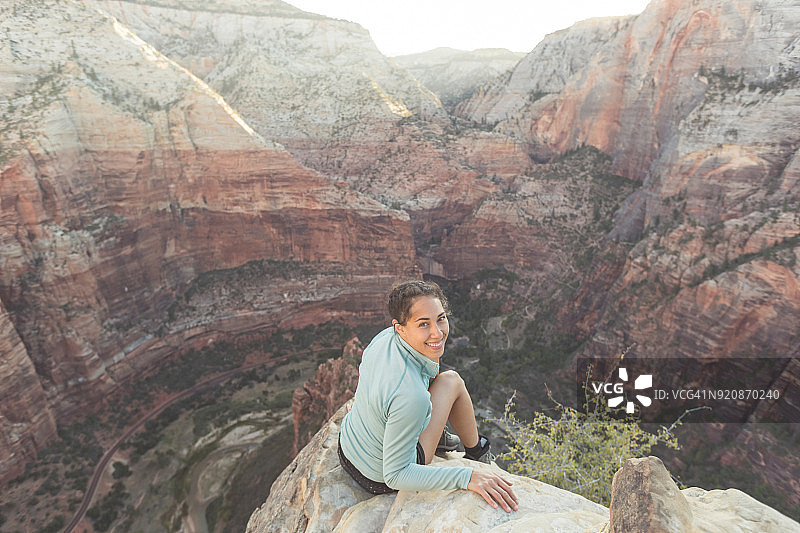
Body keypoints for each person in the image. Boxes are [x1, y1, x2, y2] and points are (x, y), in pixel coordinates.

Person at [338, 280, 518, 513]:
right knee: (451, 380)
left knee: (435, 371)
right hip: (376, 477)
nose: (437, 332)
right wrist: (466, 477)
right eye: (424, 324)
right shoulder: (412, 397)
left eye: (441, 318)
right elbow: (395, 476)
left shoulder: (383, 339)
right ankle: (478, 454)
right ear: (400, 327)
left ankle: (435, 434)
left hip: (348, 448)